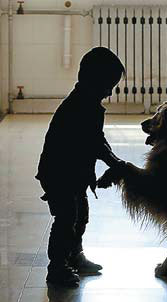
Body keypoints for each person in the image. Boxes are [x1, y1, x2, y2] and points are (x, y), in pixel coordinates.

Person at [36, 47, 125, 287]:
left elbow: (97, 139)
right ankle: (57, 267)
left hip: (74, 173)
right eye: (108, 85)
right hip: (58, 173)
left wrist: (113, 161)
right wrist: (114, 162)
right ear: (92, 80)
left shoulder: (89, 102)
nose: (109, 92)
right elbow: (94, 142)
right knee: (66, 218)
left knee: (81, 216)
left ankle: (74, 256)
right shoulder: (79, 106)